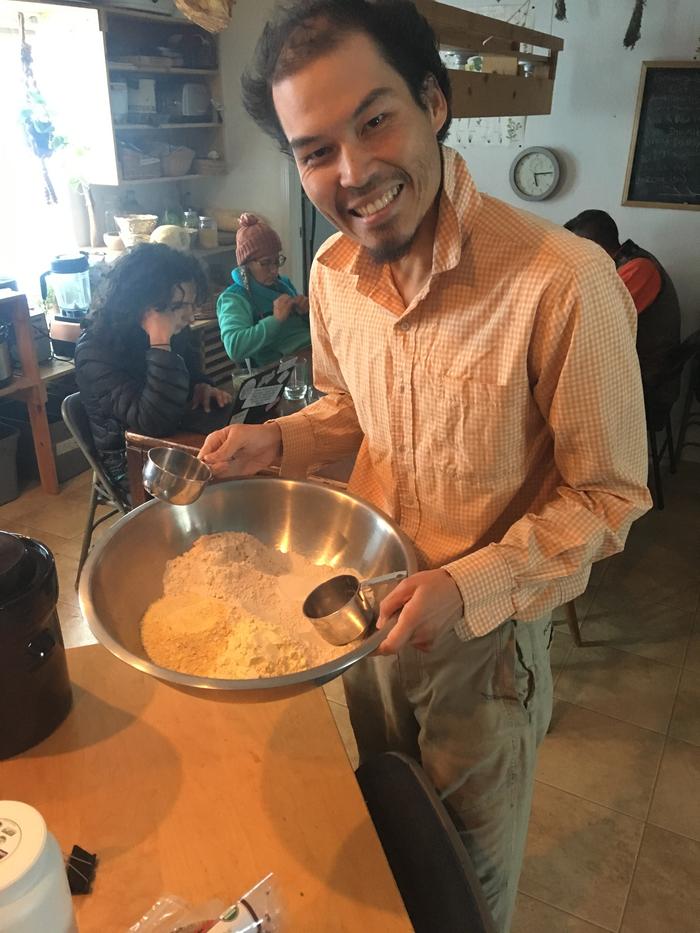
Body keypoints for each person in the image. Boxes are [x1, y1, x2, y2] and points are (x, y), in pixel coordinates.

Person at [199, 3, 651, 929]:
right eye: (315, 148)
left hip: (480, 652)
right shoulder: (329, 277)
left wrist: (466, 583)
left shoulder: (562, 283)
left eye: (375, 120)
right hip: (357, 616)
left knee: (463, 894)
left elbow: (609, 495)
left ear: (434, 103)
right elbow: (352, 411)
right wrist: (280, 438)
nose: (353, 173)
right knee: (385, 843)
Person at [75, 243, 231, 497]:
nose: (190, 316)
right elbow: (152, 422)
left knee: (241, 464)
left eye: (192, 305)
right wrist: (160, 342)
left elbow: (191, 370)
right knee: (227, 490)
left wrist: (202, 385)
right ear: (144, 305)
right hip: (132, 464)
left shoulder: (171, 330)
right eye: (179, 306)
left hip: (173, 440)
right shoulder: (95, 349)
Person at [563, 209, 681, 391]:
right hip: (629, 368)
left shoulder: (639, 269)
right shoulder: (616, 264)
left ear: (593, 246)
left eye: (576, 249)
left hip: (646, 378)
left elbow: (597, 320)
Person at [216, 213, 311, 368]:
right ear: (246, 265)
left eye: (277, 261)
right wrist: (276, 320)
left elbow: (301, 330)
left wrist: (307, 313)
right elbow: (234, 347)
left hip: (311, 353)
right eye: (265, 263)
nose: (274, 270)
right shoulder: (234, 298)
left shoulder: (283, 284)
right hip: (282, 370)